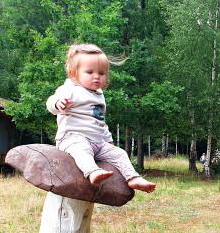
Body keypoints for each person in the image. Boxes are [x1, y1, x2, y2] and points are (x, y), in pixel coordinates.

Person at [47, 43, 155, 192]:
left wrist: (109, 141)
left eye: (101, 73)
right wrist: (58, 104)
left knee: (119, 153)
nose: (96, 76)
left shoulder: (98, 95)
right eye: (90, 72)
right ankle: (92, 172)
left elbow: (99, 122)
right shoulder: (70, 89)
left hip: (98, 142)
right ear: (74, 73)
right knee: (82, 150)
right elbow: (51, 102)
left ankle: (132, 177)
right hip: (73, 138)